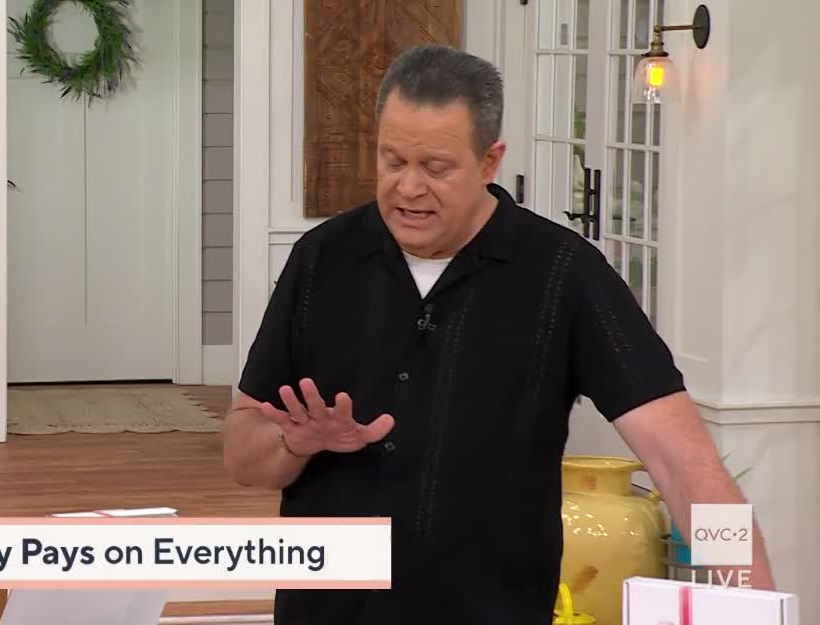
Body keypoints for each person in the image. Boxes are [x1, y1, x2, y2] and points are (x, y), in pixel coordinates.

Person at [222, 44, 774, 624]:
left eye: (435, 168)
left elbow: (687, 469)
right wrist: (294, 442)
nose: (408, 188)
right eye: (392, 161)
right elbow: (242, 458)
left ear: (490, 162)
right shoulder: (321, 260)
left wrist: (755, 609)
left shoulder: (564, 275)